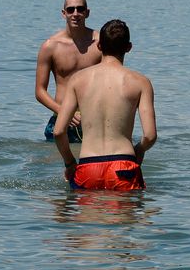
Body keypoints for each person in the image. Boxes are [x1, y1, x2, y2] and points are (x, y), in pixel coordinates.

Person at [54, 19, 156, 191]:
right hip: (124, 165)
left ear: (99, 46)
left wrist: (70, 163)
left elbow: (58, 132)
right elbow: (150, 136)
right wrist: (138, 151)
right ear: (129, 47)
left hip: (88, 166)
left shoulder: (78, 80)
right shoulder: (141, 82)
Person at [35, 0, 102, 142]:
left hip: (93, 119)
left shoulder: (101, 43)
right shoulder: (50, 46)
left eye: (80, 9)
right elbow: (40, 91)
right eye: (71, 10)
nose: (75, 14)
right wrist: (64, 112)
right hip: (61, 118)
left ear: (87, 13)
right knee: (55, 158)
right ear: (63, 13)